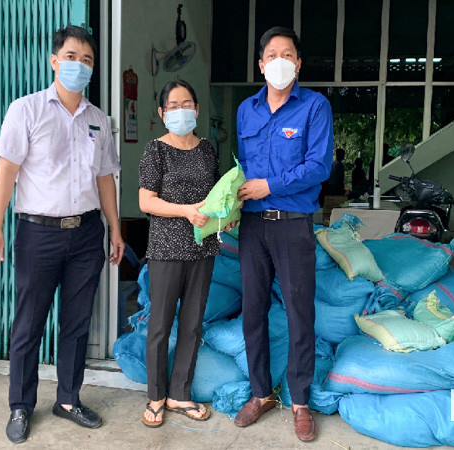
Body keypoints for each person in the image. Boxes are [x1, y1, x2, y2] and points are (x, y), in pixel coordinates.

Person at [0, 26, 125, 443]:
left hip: (86, 234)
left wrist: (115, 230)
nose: (79, 65)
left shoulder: (98, 120)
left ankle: (68, 399)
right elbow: (6, 173)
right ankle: (20, 405)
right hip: (38, 234)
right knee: (29, 323)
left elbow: (105, 179)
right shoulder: (26, 110)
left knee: (77, 324)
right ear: (54, 61)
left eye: (87, 60)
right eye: (71, 56)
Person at [234, 26, 333, 442]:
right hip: (252, 225)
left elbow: (319, 166)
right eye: (272, 54)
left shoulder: (315, 106)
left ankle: (300, 402)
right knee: (253, 311)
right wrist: (231, 204)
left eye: (287, 54)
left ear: (298, 63)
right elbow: (241, 167)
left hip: (293, 224)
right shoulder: (246, 110)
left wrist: (269, 186)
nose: (280, 61)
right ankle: (261, 393)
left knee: (299, 313)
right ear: (261, 65)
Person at [138, 80, 231, 428]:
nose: (181, 111)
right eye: (173, 106)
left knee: (192, 325)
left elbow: (217, 192)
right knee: (160, 326)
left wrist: (227, 212)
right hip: (166, 249)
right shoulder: (156, 151)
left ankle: (180, 393)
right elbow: (146, 202)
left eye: (187, 104)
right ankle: (156, 396)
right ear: (162, 113)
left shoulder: (206, 150)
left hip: (202, 247)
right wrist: (186, 211)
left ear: (197, 109)